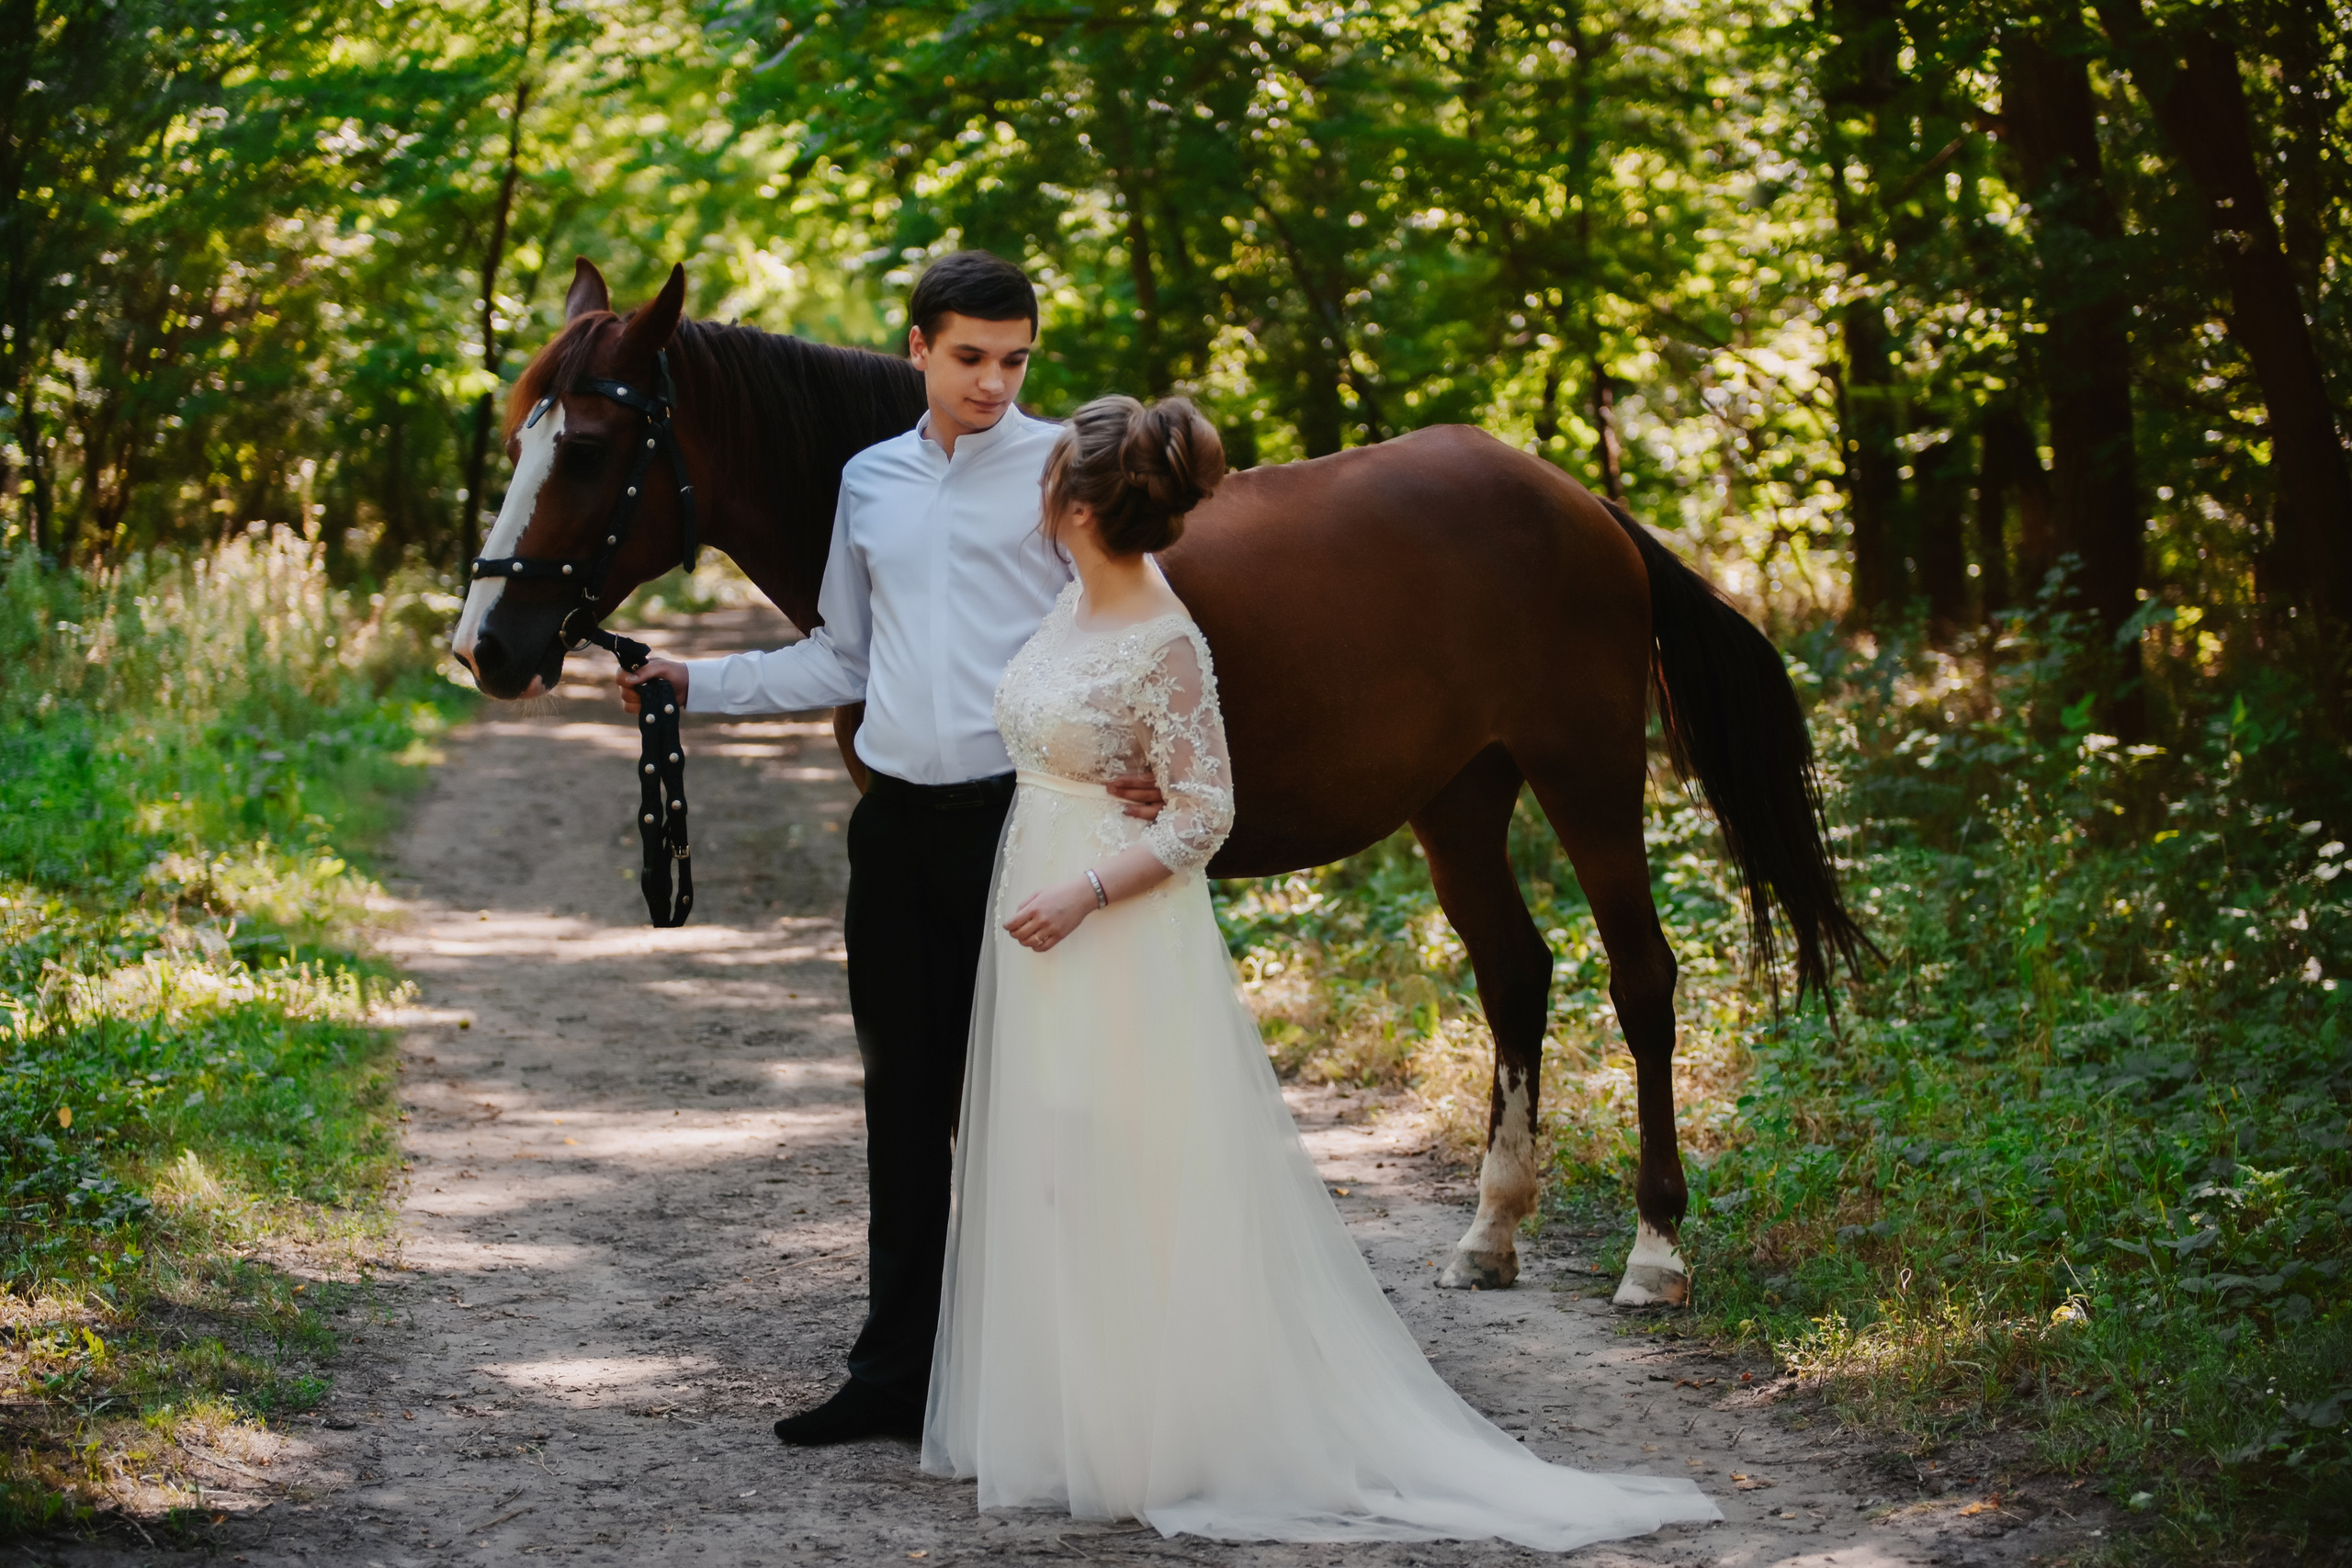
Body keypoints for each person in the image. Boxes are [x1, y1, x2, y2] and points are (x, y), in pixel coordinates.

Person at [923, 394, 1724, 1549]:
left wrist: (1097, 872)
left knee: (1141, 1158)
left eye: (1046, 481)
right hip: (1053, 906)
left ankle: (1187, 1418)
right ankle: (1084, 1413)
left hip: (1094, 909)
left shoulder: (1160, 628)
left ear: (1077, 503)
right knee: (1067, 1158)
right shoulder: (1068, 606)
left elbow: (1203, 806)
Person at [618, 252, 1162, 1446]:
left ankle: (1050, 1376)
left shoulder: (1065, 472)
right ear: (917, 347)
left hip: (1023, 832)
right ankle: (894, 1373)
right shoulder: (870, 480)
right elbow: (842, 659)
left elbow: (1146, 626)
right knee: (902, 1107)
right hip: (896, 829)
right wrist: (690, 680)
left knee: (1041, 1108)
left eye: (1015, 359)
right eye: (969, 357)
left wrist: (1149, 756)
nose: (993, 382)